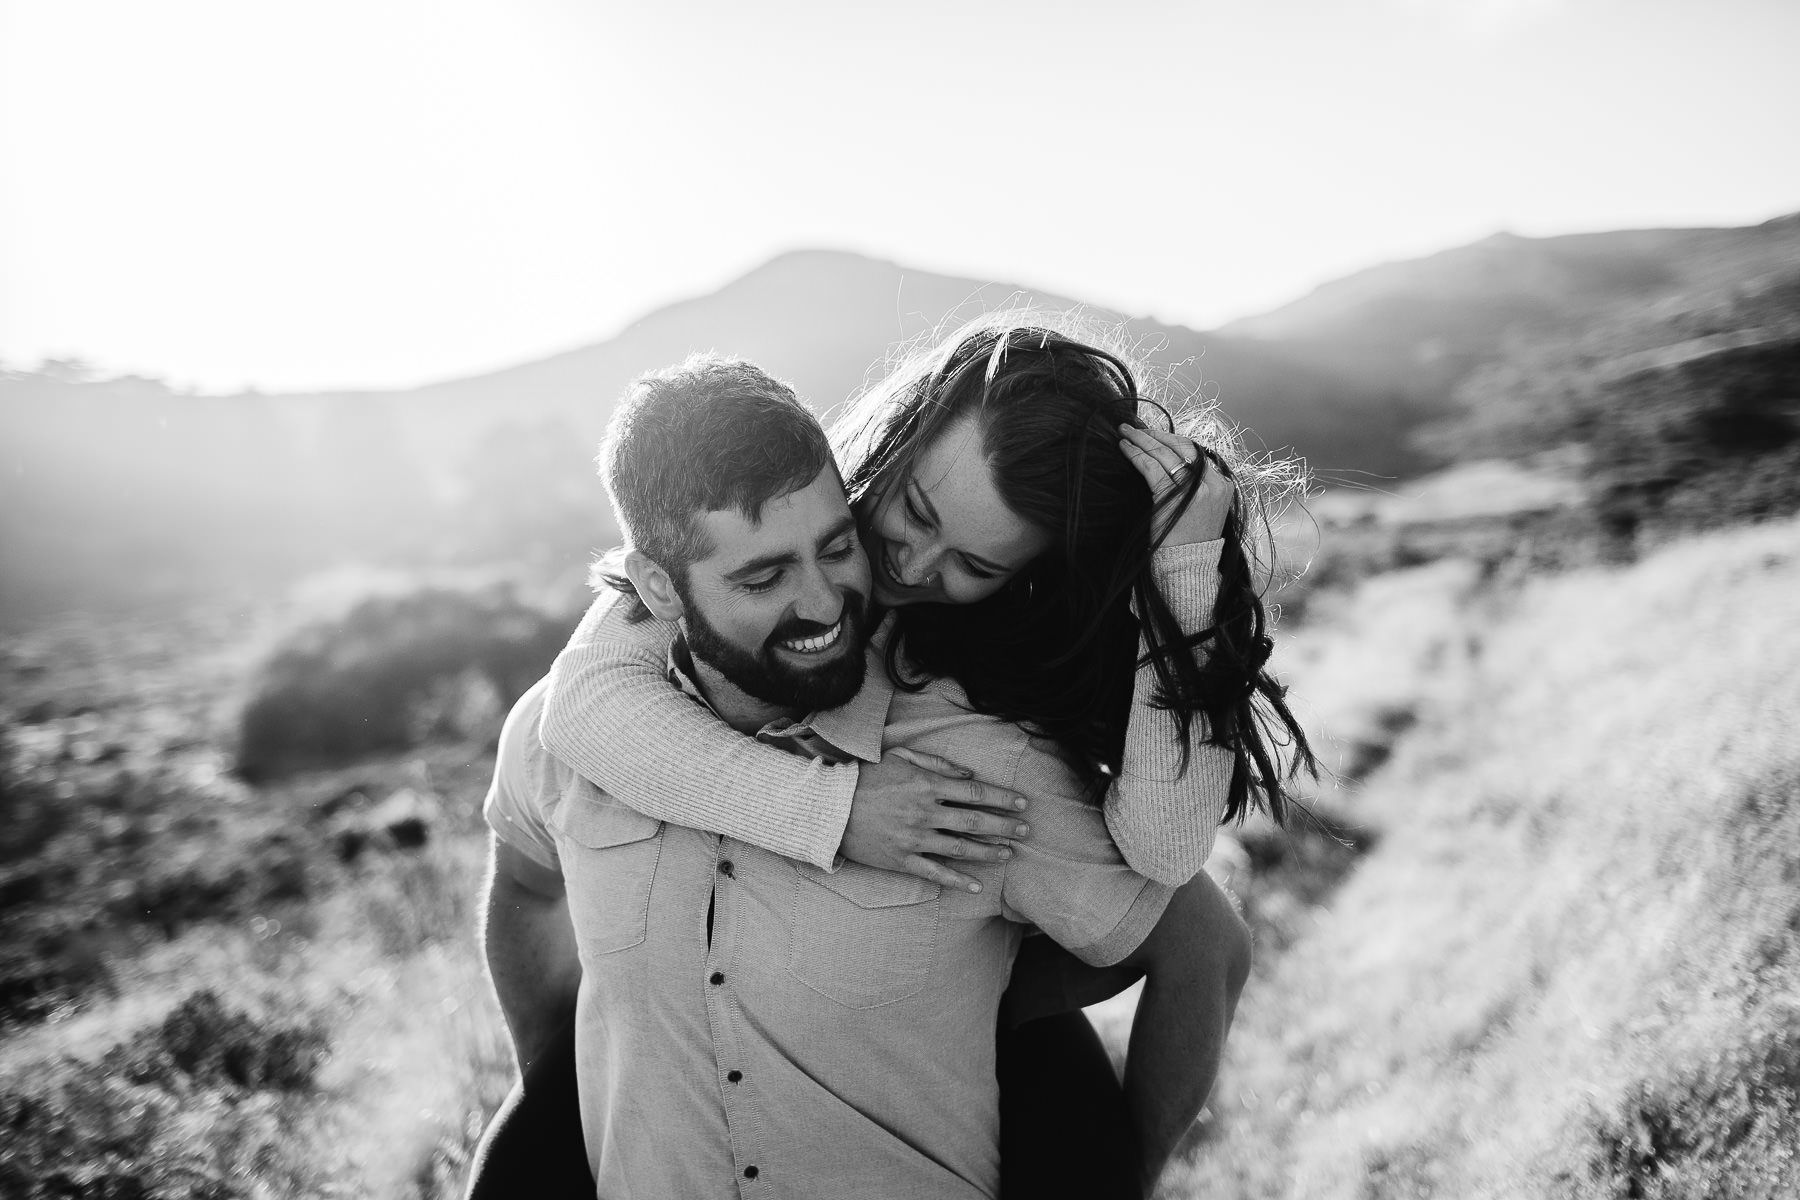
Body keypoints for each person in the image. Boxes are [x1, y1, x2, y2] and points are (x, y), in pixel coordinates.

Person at [473, 355, 1263, 1199]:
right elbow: (560, 767)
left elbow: (1188, 916)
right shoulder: (593, 702)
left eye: (975, 565)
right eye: (765, 575)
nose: (905, 571)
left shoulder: (975, 760)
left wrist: (1104, 1162)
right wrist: (563, 1087)